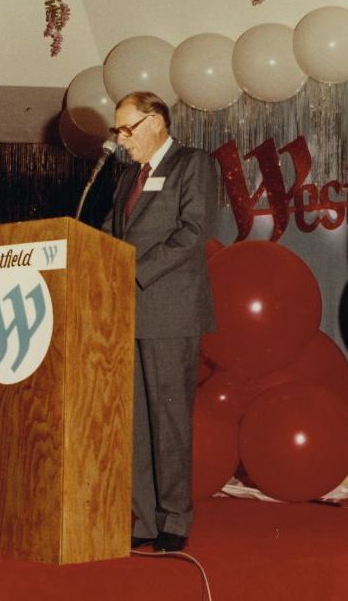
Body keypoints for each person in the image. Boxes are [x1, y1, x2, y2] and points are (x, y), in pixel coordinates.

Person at [102, 91, 217, 553]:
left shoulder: (193, 164)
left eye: (126, 129)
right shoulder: (127, 174)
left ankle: (174, 518)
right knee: (135, 422)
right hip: (127, 315)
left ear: (155, 123)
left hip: (170, 312)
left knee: (168, 421)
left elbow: (193, 232)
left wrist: (133, 270)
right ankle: (145, 519)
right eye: (117, 131)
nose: (121, 140)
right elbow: (112, 233)